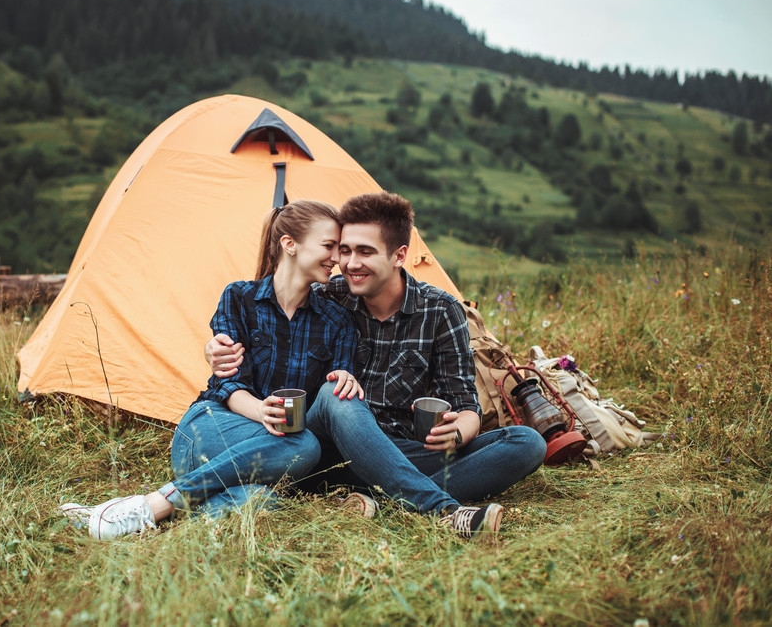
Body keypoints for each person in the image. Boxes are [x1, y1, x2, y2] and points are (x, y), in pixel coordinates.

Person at [207, 192, 547, 540]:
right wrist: (214, 349)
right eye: (344, 250)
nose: (349, 263)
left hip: (401, 450)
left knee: (526, 442)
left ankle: (378, 499)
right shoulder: (327, 294)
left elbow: (466, 404)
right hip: (329, 451)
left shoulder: (440, 311)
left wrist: (458, 432)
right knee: (336, 394)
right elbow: (270, 314)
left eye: (365, 252)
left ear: (399, 255)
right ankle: (438, 509)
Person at [59, 200, 363, 539]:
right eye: (329, 246)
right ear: (289, 244)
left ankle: (126, 516)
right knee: (304, 445)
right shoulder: (239, 297)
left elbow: (334, 390)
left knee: (261, 499)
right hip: (211, 430)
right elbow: (229, 383)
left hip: (271, 454)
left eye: (338, 249)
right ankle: (155, 504)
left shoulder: (337, 321)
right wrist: (261, 411)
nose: (337, 258)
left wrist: (345, 379)